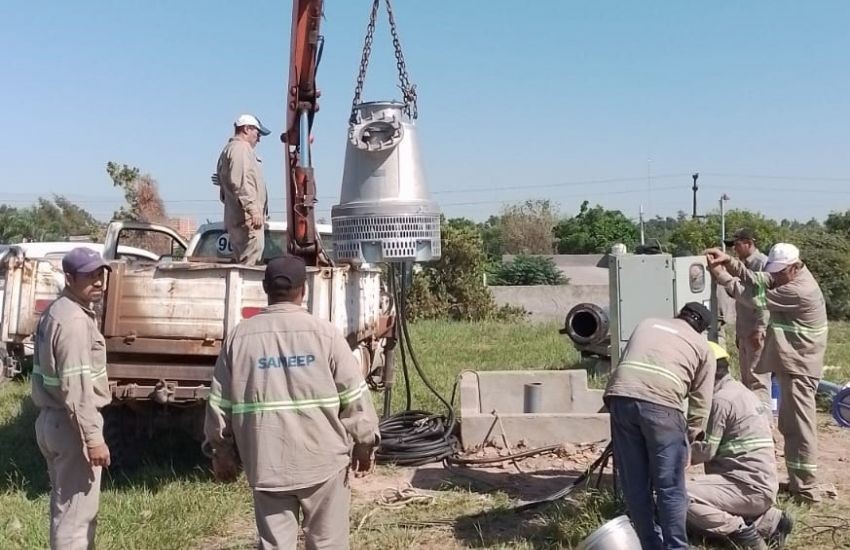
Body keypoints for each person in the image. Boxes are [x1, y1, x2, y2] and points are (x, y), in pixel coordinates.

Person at [204, 255, 380, 550]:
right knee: (328, 544)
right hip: (323, 465)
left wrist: (221, 452)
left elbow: (219, 404)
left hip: (266, 464)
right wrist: (365, 444)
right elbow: (354, 397)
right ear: (304, 289)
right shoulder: (326, 335)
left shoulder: (239, 338)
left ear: (265, 288)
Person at [706, 243, 827, 504]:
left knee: (800, 428)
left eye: (779, 272)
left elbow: (752, 298)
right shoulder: (791, 276)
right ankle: (797, 481)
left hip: (800, 366)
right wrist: (730, 262)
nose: (775, 276)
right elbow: (761, 279)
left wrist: (722, 276)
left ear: (793, 267)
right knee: (790, 425)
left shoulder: (798, 290)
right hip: (793, 364)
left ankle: (806, 489)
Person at [604, 302, 716, 550]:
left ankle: (650, 545)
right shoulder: (703, 347)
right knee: (670, 487)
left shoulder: (647, 324)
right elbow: (701, 402)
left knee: (635, 484)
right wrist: (691, 438)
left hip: (621, 399)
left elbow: (626, 365)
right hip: (663, 408)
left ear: (679, 315)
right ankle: (676, 547)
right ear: (702, 329)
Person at [32, 247, 113, 549]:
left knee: (66, 509)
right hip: (71, 428)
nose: (98, 281)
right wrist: (93, 439)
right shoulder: (74, 322)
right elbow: (77, 390)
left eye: (100, 274)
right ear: (69, 278)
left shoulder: (57, 311)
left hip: (52, 422)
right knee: (76, 519)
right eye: (89, 276)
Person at [687, 341, 793, 549]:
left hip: (745, 487)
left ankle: (739, 532)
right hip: (760, 485)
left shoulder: (720, 401)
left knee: (674, 493)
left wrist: (670, 451)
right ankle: (769, 522)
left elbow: (705, 452)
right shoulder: (741, 392)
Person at [723, 228, 771, 407]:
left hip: (756, 332)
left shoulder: (762, 263)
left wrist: (760, 328)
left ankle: (764, 420)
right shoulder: (744, 264)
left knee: (758, 381)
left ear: (748, 243)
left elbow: (764, 300)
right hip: (745, 330)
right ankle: (751, 418)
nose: (734, 249)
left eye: (736, 245)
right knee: (747, 381)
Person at [216, 113, 271, 265]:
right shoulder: (241, 148)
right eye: (257, 133)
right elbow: (240, 182)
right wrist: (253, 210)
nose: (258, 139)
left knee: (244, 262)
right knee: (250, 265)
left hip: (238, 217)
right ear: (246, 129)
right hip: (247, 219)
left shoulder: (229, 149)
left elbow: (227, 189)